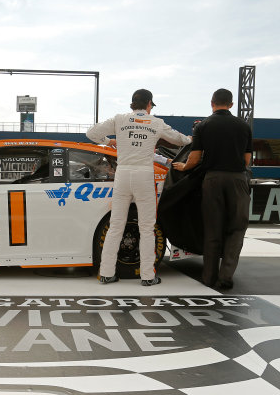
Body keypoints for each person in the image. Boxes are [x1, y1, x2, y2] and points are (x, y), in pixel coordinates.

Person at [87, 89, 192, 286]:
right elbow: (181, 140)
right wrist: (193, 138)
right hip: (144, 175)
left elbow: (91, 133)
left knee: (116, 225)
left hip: (123, 174)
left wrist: (108, 141)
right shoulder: (156, 122)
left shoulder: (119, 119)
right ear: (149, 104)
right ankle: (147, 276)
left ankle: (107, 273)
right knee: (146, 227)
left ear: (131, 104)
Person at [173, 88, 252, 289]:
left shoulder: (203, 126)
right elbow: (247, 159)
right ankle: (225, 276)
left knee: (212, 228)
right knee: (236, 228)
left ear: (212, 103)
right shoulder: (243, 126)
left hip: (212, 180)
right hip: (237, 179)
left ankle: (208, 277)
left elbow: (195, 157)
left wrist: (183, 166)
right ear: (231, 104)